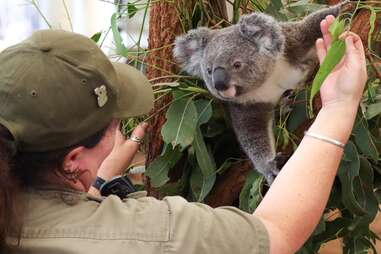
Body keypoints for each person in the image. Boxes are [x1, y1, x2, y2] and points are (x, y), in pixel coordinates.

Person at [0, 14, 367, 254]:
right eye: (116, 121)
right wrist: (338, 106)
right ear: (73, 158)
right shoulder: (149, 233)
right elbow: (276, 233)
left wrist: (91, 179)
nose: (120, 127)